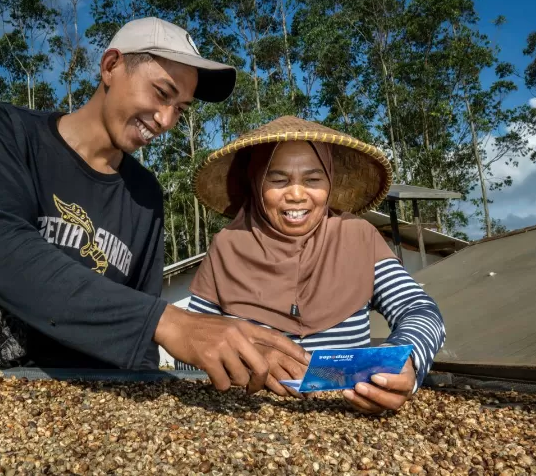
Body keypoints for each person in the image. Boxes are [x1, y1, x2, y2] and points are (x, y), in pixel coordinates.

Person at [0, 17, 309, 394]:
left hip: (86, 403)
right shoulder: (6, 131)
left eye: (180, 108)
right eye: (162, 93)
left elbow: (139, 328)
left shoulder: (145, 196)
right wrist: (171, 322)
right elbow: (1, 252)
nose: (165, 121)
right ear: (111, 66)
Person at [176, 116, 446, 414]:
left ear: (329, 183)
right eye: (278, 180)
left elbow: (419, 309)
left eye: (313, 180)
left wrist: (405, 358)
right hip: (246, 415)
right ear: (256, 183)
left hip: (349, 414)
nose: (296, 194)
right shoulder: (227, 246)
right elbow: (189, 346)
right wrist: (243, 359)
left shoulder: (358, 237)